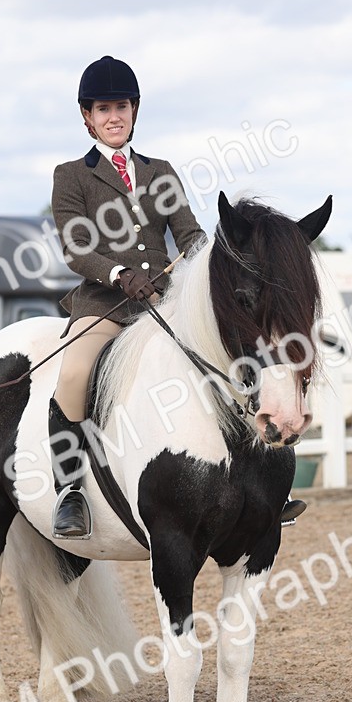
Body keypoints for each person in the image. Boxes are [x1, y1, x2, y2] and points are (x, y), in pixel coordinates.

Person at [48, 54, 207, 539]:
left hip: (165, 302)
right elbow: (77, 248)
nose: (113, 117)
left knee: (230, 356)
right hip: (106, 306)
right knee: (74, 374)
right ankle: (70, 491)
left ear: (134, 110)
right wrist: (119, 275)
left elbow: (190, 233)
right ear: (87, 117)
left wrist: (208, 260)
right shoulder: (71, 175)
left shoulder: (160, 171)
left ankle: (259, 478)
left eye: (121, 106)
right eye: (102, 109)